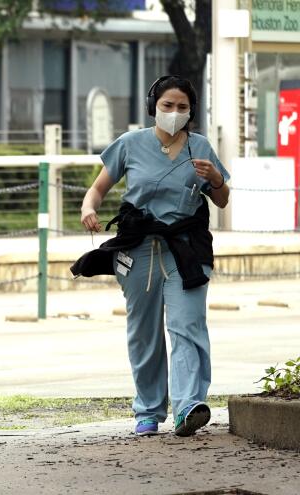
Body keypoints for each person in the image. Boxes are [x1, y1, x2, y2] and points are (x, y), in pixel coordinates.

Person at [70, 75, 231, 438]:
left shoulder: (201, 147)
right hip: (138, 248)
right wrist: (87, 208)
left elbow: (221, 200)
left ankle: (188, 405)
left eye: (182, 108)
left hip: (186, 249)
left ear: (191, 111)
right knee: (144, 332)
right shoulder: (130, 144)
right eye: (167, 106)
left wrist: (217, 179)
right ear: (153, 107)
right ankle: (148, 409)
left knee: (187, 325)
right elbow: (97, 189)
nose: (174, 113)